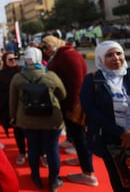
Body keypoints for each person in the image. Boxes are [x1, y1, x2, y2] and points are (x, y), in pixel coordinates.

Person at [80, 40, 130, 192]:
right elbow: (91, 110)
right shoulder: (92, 80)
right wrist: (121, 133)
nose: (116, 58)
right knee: (120, 183)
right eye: (109, 55)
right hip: (110, 140)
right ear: (101, 59)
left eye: (119, 53)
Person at [40, 35, 99, 186]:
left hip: (74, 105)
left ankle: (88, 174)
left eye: (46, 47)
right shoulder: (65, 54)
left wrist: (72, 109)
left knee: (81, 139)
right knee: (79, 138)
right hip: (73, 104)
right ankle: (82, 161)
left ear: (54, 44)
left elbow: (77, 84)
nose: (44, 51)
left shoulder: (68, 56)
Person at [9, 47, 66, 191]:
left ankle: (35, 177)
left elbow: (13, 102)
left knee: (33, 148)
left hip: (28, 121)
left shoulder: (17, 78)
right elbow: (63, 94)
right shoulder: (50, 75)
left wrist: (13, 117)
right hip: (51, 121)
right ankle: (54, 181)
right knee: (52, 150)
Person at [0, 52, 27, 164]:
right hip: (12, 108)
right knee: (18, 132)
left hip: (27, 107)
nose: (13, 60)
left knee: (31, 132)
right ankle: (22, 152)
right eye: (10, 59)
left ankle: (38, 153)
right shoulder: (0, 75)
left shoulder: (23, 70)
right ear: (5, 61)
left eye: (14, 58)